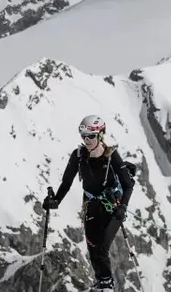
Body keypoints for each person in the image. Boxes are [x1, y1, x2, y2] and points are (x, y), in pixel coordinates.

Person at [42, 114, 136, 290]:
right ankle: (102, 282)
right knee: (93, 249)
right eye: (84, 136)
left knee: (101, 248)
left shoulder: (111, 156)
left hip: (113, 207)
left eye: (91, 136)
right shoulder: (78, 156)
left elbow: (128, 185)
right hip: (91, 206)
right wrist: (55, 201)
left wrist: (123, 207)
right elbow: (66, 183)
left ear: (101, 134)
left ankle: (107, 284)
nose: (87, 140)